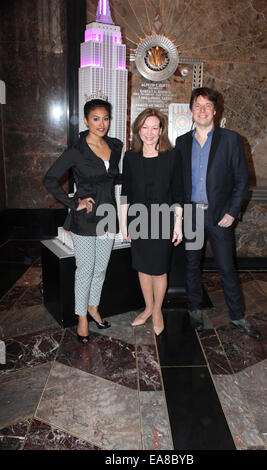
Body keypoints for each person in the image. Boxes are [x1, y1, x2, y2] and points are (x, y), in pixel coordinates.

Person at [175, 87, 261, 340]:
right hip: (191, 214)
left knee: (226, 267)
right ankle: (195, 310)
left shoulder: (231, 140)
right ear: (191, 110)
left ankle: (237, 316)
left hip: (220, 216)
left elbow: (242, 180)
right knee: (191, 266)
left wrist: (232, 213)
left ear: (215, 110)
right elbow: (178, 183)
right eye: (197, 105)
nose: (202, 110)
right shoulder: (181, 143)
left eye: (207, 106)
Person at [44, 99, 123, 344]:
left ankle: (93, 307)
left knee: (100, 269)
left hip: (108, 216)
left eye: (106, 118)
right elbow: (50, 179)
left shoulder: (116, 145)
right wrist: (73, 203)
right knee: (85, 270)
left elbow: (115, 181)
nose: (102, 124)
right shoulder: (76, 151)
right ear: (86, 120)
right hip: (86, 219)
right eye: (96, 118)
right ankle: (81, 318)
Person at [120, 108, 183, 336]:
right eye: (145, 127)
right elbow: (125, 193)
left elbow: (177, 194)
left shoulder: (172, 156)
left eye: (154, 128)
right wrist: (124, 224)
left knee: (159, 269)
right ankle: (147, 307)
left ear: (161, 130)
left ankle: (157, 310)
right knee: (143, 268)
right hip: (138, 220)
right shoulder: (130, 157)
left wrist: (178, 225)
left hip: (163, 220)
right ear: (138, 129)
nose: (149, 132)